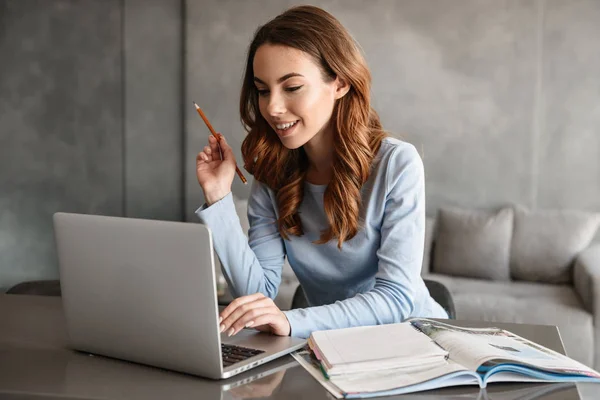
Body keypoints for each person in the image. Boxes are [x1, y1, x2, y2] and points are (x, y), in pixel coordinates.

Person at [195, 5, 448, 339]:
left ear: (340, 83)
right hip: (330, 347)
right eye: (262, 89)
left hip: (414, 340)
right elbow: (257, 293)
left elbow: (396, 298)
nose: (272, 107)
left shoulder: (396, 164)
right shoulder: (273, 172)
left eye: (292, 87)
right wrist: (218, 197)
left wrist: (292, 322)